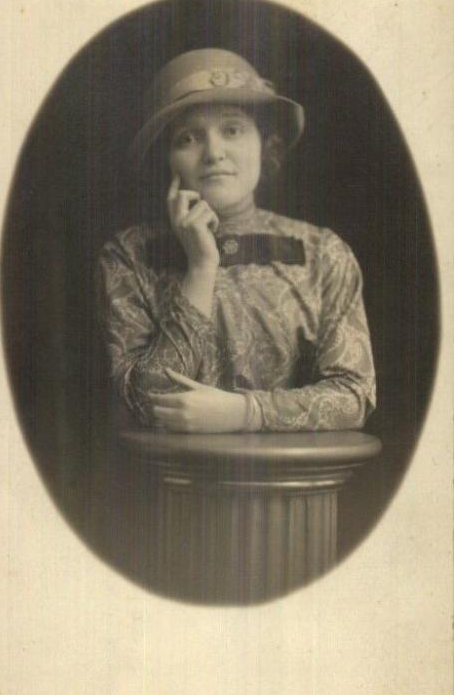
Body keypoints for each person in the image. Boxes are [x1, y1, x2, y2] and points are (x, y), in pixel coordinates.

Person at [97, 48, 376, 433]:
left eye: (232, 129)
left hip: (294, 485)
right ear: (168, 160)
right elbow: (149, 402)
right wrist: (200, 266)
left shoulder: (322, 252)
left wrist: (245, 412)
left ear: (265, 143)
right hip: (174, 486)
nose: (214, 153)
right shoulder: (129, 254)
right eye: (188, 138)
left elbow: (354, 396)